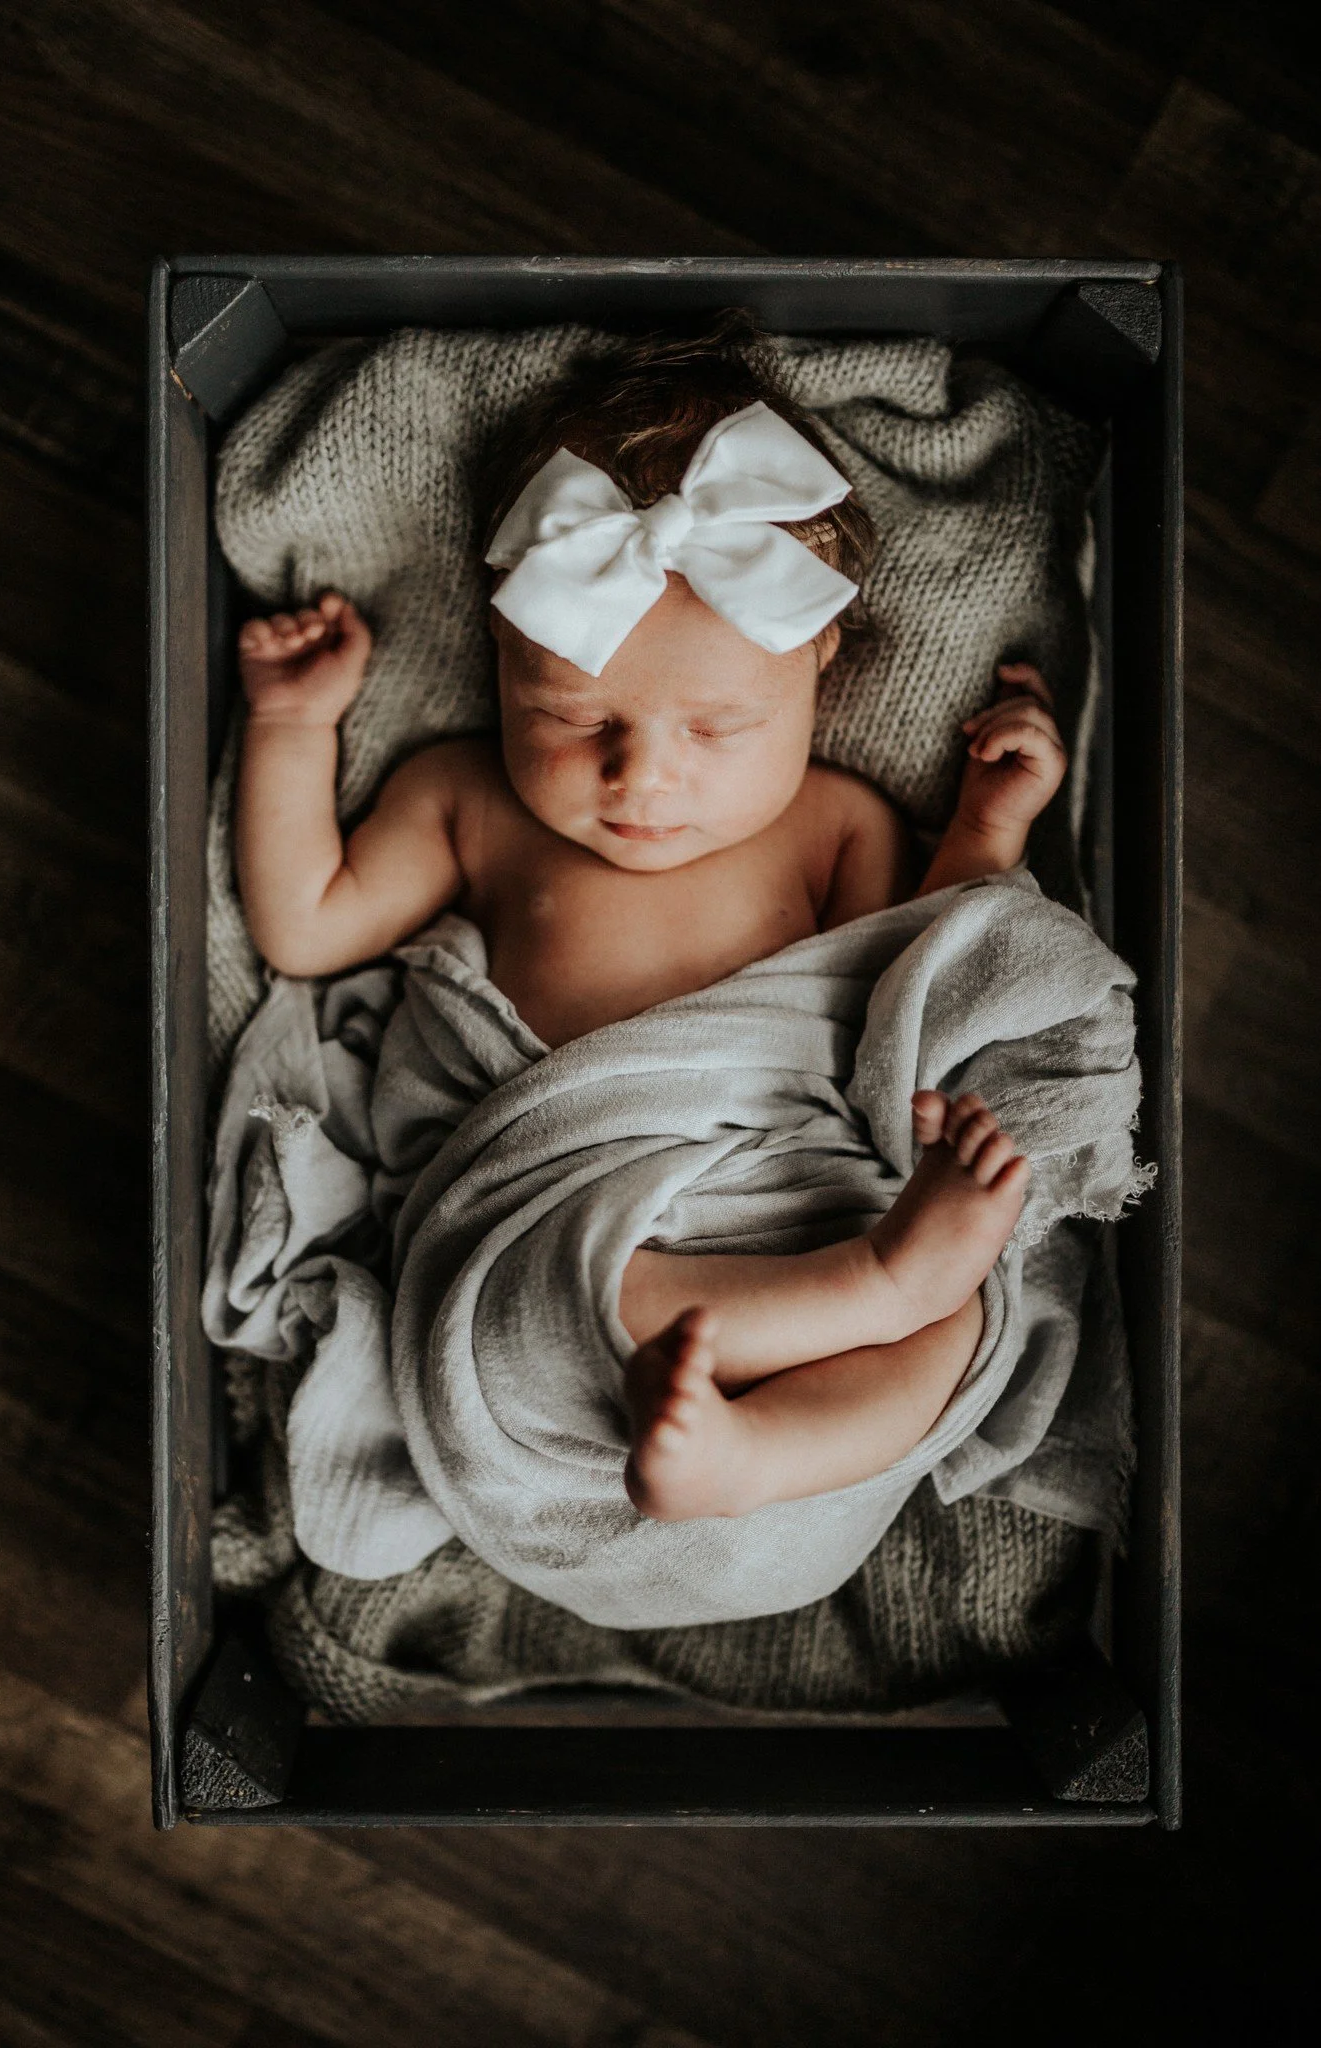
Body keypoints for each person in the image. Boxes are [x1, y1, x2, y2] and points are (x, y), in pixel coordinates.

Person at [233, 321, 1066, 1524]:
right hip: (564, 1220)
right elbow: (305, 928)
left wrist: (989, 821)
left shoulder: (838, 825)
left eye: (714, 730)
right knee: (557, 1281)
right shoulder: (465, 798)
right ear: (501, 655)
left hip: (780, 1201)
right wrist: (292, 729)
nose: (639, 780)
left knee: (967, 1318)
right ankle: (869, 1292)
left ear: (819, 659)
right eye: (573, 719)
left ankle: (770, 1443)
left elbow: (923, 984)